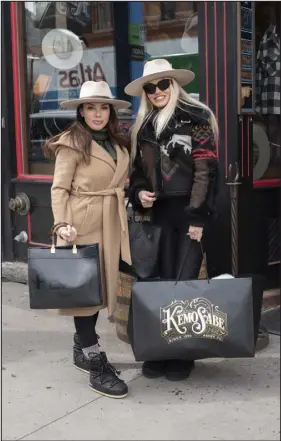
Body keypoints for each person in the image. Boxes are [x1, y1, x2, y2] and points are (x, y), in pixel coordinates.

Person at [125, 59, 219, 381]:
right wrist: (139, 193)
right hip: (156, 216)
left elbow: (206, 172)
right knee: (158, 284)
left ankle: (182, 354)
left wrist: (198, 217)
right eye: (150, 88)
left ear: (174, 85)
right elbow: (136, 174)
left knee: (185, 282)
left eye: (162, 84)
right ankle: (160, 350)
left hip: (189, 214)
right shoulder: (143, 126)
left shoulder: (198, 119)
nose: (156, 92)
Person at [44, 80, 132, 399]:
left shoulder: (119, 141)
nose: (98, 114)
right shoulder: (72, 142)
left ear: (111, 111)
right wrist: (62, 223)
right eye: (91, 107)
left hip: (111, 222)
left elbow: (121, 180)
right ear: (81, 112)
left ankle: (81, 349)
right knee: (85, 296)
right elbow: (59, 188)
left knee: (99, 292)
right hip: (81, 224)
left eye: (103, 107)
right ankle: (95, 365)